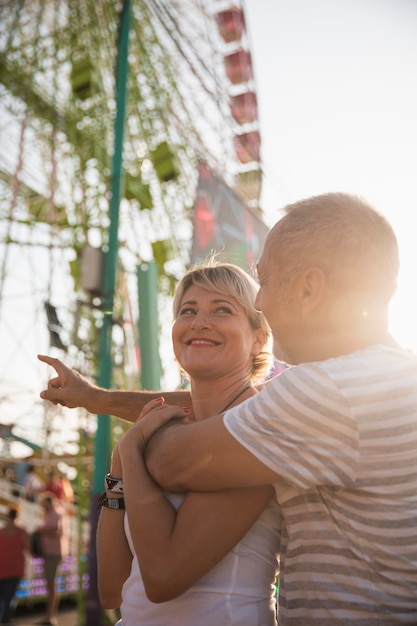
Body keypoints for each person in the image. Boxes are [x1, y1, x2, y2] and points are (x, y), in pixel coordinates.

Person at [140, 192, 417, 624]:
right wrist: (98, 399)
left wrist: (136, 439)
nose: (261, 304)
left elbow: (171, 460)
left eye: (264, 281)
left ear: (309, 288)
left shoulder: (327, 390)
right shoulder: (391, 377)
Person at [101, 262, 282, 624]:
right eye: (188, 311)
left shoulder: (258, 425)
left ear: (259, 338)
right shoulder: (165, 434)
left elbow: (164, 578)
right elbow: (112, 591)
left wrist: (131, 452)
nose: (200, 322)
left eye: (222, 310)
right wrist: (118, 481)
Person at [36, 495, 68, 626]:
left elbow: (57, 532)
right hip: (49, 553)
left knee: (52, 586)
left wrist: (42, 531)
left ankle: (50, 616)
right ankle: (49, 616)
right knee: (50, 586)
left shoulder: (56, 514)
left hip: (54, 553)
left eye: (43, 504)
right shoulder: (50, 514)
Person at [0, 507, 31, 625]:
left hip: (1, 567)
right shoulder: (22, 532)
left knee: (2, 597)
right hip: (15, 568)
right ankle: (6, 619)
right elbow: (28, 548)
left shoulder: (1, 531)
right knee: (10, 597)